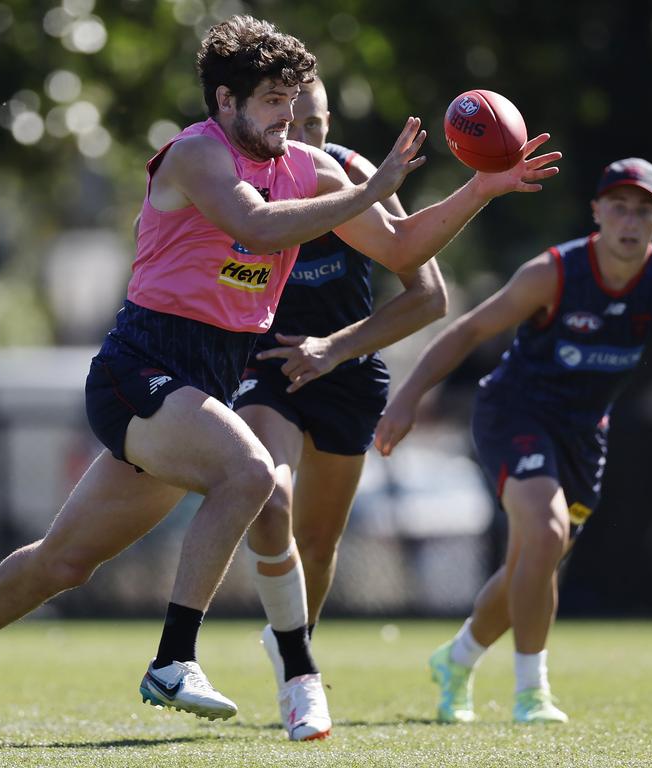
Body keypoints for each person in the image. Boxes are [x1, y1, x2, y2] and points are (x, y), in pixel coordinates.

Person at [0, 15, 559, 757]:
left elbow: (402, 246)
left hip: (202, 383)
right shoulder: (194, 156)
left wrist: (479, 190)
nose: (290, 118)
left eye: (296, 100)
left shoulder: (312, 167)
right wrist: (373, 188)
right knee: (251, 475)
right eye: (273, 101)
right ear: (225, 101)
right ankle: (174, 657)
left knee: (63, 562)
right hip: (138, 370)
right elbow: (258, 226)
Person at [375, 158, 652, 724]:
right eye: (618, 206)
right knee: (545, 532)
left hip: (583, 434)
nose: (630, 220)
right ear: (597, 213)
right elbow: (469, 330)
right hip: (515, 411)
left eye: (643, 210)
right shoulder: (555, 273)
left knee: (533, 559)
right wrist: (407, 397)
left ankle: (457, 658)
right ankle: (530, 693)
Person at [233, 76, 447, 741]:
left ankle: (289, 651)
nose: (308, 139)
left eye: (318, 124)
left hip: (346, 371)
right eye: (294, 125)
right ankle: (298, 670)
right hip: (268, 368)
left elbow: (429, 297)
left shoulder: (358, 175)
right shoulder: (239, 182)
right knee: (271, 492)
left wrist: (333, 347)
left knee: (319, 542)